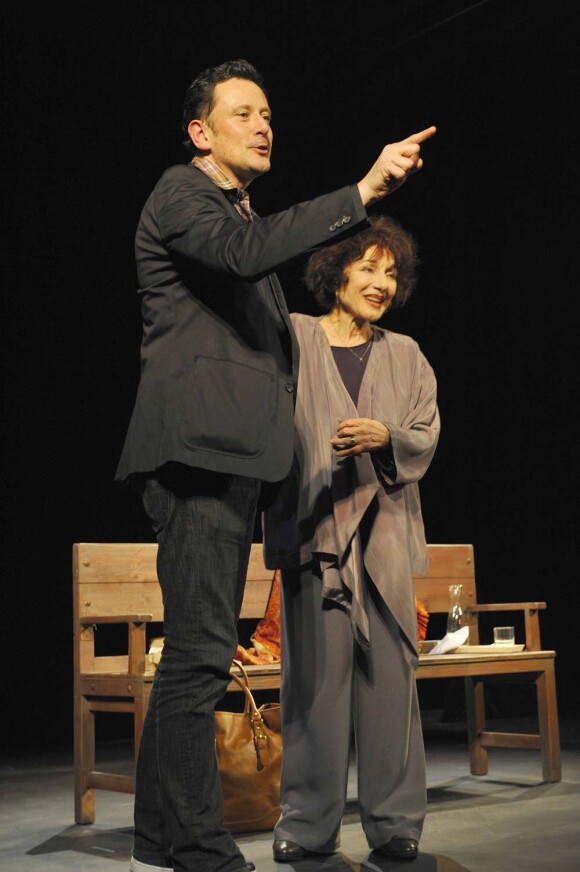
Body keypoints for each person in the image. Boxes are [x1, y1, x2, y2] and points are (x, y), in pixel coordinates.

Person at [115, 56, 435, 872]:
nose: (264, 125)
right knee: (199, 656)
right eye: (243, 113)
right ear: (200, 132)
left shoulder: (232, 217)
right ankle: (196, 843)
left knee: (199, 650)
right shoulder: (186, 195)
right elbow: (245, 252)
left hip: (228, 461)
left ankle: (161, 835)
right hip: (195, 455)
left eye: (268, 114)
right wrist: (361, 193)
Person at [263, 215, 440, 863]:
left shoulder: (407, 353)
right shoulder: (294, 337)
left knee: (390, 681)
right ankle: (306, 824)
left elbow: (425, 431)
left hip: (385, 537)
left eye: (391, 271)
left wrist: (386, 436)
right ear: (335, 270)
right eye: (368, 267)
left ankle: (395, 821)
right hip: (314, 531)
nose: (381, 282)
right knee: (314, 685)